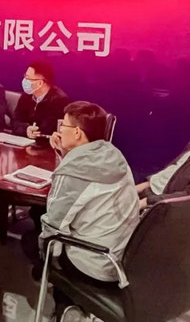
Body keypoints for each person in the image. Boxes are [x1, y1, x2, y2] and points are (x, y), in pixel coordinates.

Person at [37, 101, 139, 283]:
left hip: (93, 264)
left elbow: (54, 225)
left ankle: (59, 294)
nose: (60, 131)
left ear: (77, 132)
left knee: (31, 240)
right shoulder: (114, 155)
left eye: (63, 125)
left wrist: (47, 257)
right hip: (124, 257)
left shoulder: (72, 173)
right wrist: (66, 154)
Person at [11, 60, 71, 140]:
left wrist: (35, 132)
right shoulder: (26, 95)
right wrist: (26, 129)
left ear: (40, 83)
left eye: (28, 78)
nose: (25, 80)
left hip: (45, 144)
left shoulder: (59, 100)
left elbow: (51, 129)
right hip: (24, 140)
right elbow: (15, 121)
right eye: (25, 76)